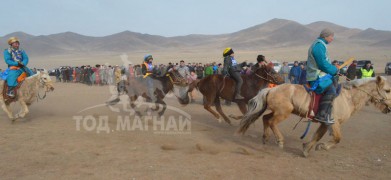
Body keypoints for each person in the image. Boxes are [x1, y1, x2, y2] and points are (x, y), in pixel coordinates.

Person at [306, 28, 338, 124]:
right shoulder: (319, 46)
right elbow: (322, 64)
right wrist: (334, 69)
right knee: (331, 90)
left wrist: (334, 69)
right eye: (331, 36)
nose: (332, 39)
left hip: (320, 75)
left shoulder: (321, 45)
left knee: (335, 83)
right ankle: (322, 115)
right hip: (316, 76)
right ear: (326, 36)